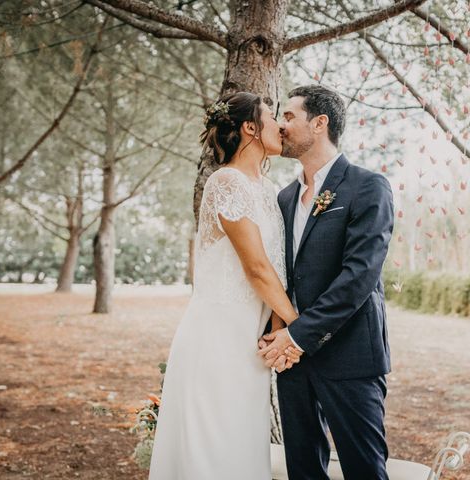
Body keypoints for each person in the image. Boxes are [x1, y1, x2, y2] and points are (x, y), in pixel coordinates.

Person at [147, 91, 301, 480]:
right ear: (250, 127)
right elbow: (257, 269)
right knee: (213, 446)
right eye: (272, 117)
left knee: (241, 443)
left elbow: (278, 269)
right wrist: (301, 326)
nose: (282, 126)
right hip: (216, 338)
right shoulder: (226, 182)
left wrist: (279, 330)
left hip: (251, 342)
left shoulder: (268, 190)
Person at [258, 84, 395, 480]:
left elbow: (359, 277)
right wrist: (281, 333)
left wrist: (297, 335)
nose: (281, 126)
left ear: (320, 123)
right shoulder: (283, 198)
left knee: (364, 469)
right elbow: (282, 274)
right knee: (302, 469)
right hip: (293, 363)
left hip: (350, 356)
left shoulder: (367, 186)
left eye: (289, 117)